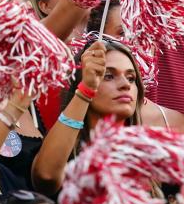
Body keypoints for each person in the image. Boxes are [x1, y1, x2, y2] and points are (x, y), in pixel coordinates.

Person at [31, 38, 146, 195]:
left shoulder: (147, 157)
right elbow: (46, 176)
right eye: (108, 76)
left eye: (131, 78)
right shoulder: (67, 159)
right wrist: (86, 90)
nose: (125, 84)